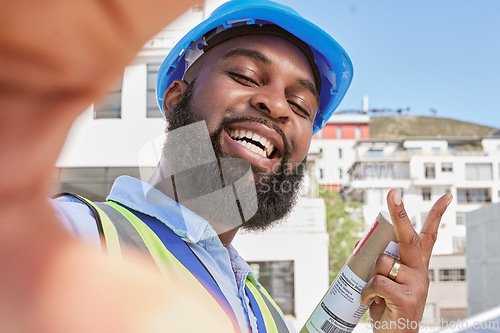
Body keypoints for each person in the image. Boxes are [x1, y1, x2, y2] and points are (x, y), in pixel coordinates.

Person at [1, 0, 452, 332]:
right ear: (177, 98)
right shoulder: (76, 238)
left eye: (300, 105)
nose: (276, 105)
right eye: (246, 77)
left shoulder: (262, 311)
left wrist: (395, 329)